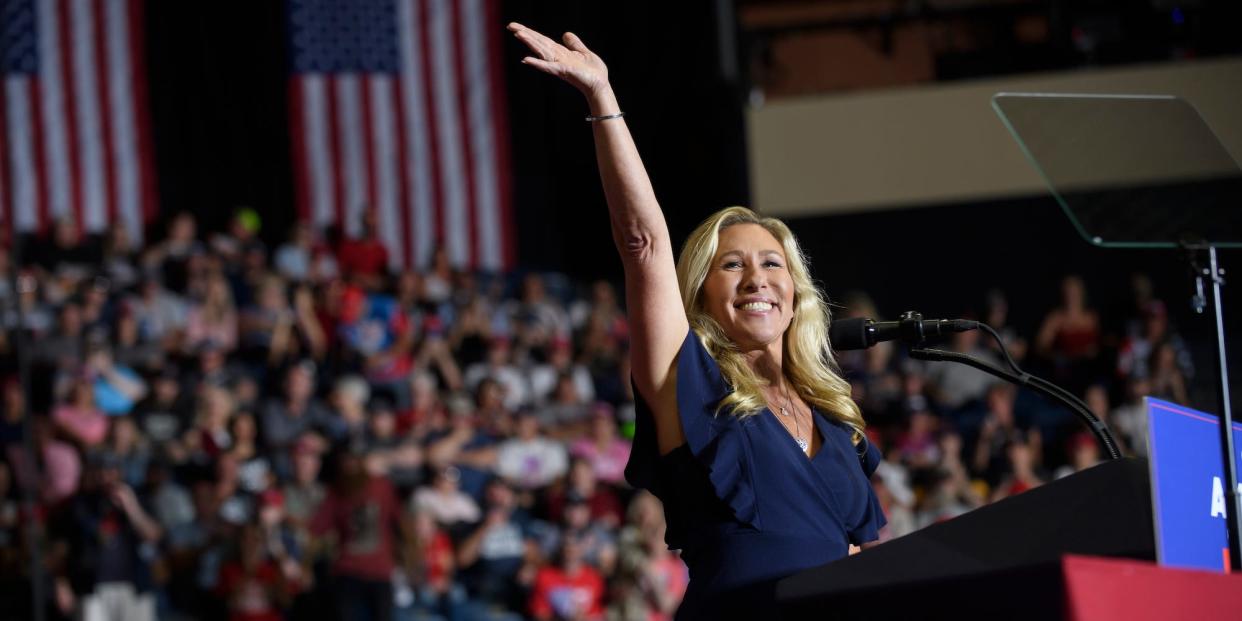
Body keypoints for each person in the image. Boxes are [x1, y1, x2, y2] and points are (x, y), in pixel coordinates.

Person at [510, 23, 885, 619]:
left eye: (771, 263)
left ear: (795, 292)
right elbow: (643, 245)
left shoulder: (837, 422)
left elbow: (866, 554)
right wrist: (603, 100)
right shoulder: (690, 386)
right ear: (703, 294)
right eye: (731, 265)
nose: (757, 278)